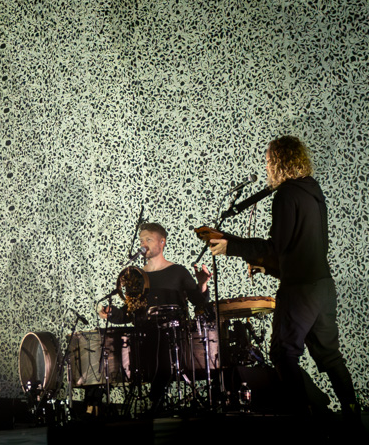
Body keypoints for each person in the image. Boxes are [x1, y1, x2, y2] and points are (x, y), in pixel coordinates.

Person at [209, 136, 360, 426]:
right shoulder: (313, 191)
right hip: (322, 287)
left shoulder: (286, 195)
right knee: (330, 357)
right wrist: (270, 269)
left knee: (283, 352)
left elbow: (273, 248)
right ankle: (353, 417)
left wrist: (231, 246)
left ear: (279, 162)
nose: (266, 166)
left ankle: (305, 420)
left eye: (268, 160)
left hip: (300, 291)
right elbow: (299, 249)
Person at [98, 223, 211, 407]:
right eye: (141, 240)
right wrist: (111, 313)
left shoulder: (178, 271)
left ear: (162, 242)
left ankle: (154, 402)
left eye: (148, 239)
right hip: (145, 339)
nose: (143, 244)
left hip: (173, 338)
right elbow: (128, 314)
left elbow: (199, 302)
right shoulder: (136, 277)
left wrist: (202, 283)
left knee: (165, 364)